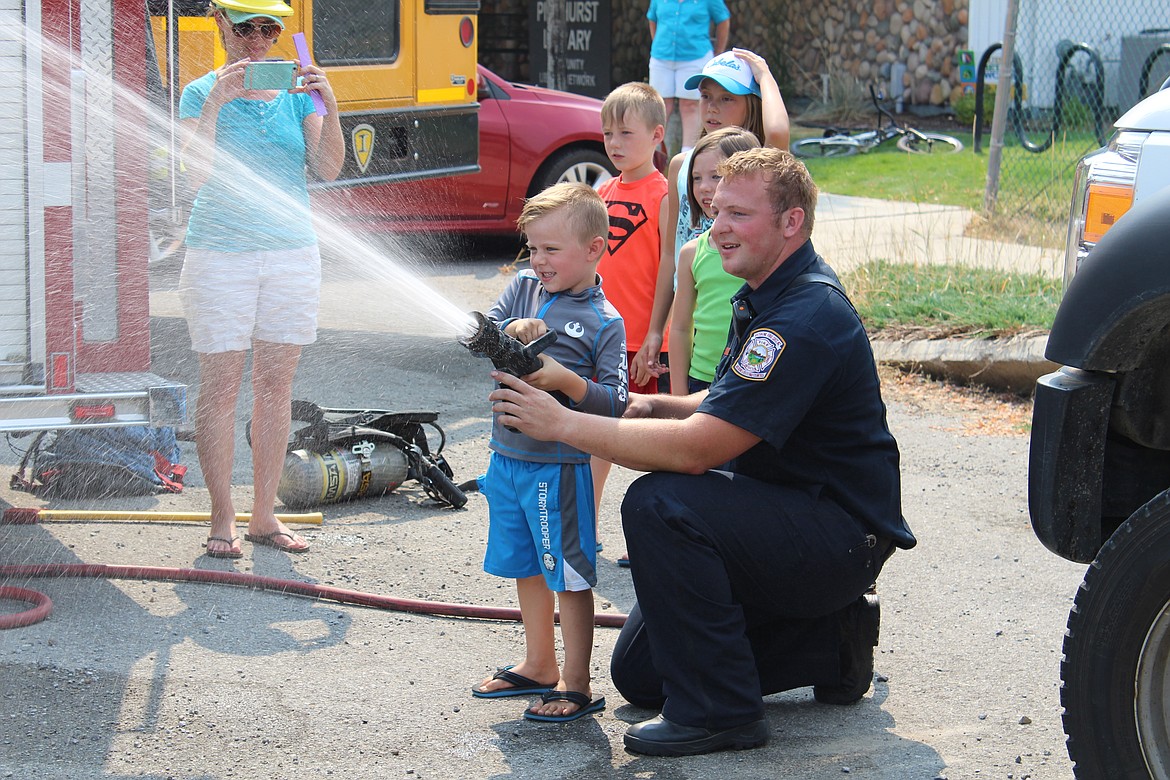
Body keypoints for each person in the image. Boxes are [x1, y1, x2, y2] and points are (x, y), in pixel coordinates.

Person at [487, 148, 917, 756]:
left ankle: (723, 713)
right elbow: (723, 403)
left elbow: (699, 451)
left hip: (836, 536)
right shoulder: (764, 295)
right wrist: (644, 405)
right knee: (641, 677)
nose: (717, 227)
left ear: (791, 223)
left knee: (661, 501)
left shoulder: (804, 316)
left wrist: (563, 422)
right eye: (715, 211)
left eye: (738, 213)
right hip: (783, 516)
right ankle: (831, 643)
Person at [177, 0, 344, 558]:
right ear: (222, 25)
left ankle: (264, 515)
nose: (257, 39)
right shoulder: (200, 91)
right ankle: (222, 516)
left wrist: (331, 106)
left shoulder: (297, 96)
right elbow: (192, 176)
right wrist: (218, 105)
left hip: (291, 253)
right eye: (246, 27)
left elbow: (327, 168)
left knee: (275, 389)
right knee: (220, 388)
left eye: (269, 28)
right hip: (219, 256)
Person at [470, 183, 628, 723]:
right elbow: (476, 334)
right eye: (532, 248)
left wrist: (566, 380)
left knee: (568, 574)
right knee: (527, 566)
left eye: (551, 250)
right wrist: (506, 331)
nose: (539, 261)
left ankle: (577, 684)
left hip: (558, 469)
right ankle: (539, 664)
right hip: (506, 458)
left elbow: (617, 405)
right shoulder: (521, 289)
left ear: (594, 248)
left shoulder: (607, 321)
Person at [641, 49, 788, 402]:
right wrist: (654, 329)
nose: (712, 108)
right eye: (706, 97)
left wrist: (765, 74)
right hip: (690, 312)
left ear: (751, 104)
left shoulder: (756, 163)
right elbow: (670, 254)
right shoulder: (679, 165)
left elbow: (779, 132)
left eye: (726, 99)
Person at [592, 82, 669, 560]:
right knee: (596, 436)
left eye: (626, 132)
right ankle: (586, 527)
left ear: (658, 135)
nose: (615, 143)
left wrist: (653, 340)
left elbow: (668, 273)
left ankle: (658, 536)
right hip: (603, 342)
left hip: (644, 341)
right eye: (607, 134)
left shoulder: (666, 195)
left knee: (652, 442)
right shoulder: (602, 191)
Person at [669, 126, 759, 394]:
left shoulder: (763, 251)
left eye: (716, 176)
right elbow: (681, 328)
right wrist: (677, 396)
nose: (704, 187)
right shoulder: (691, 253)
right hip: (702, 380)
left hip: (751, 379)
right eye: (696, 178)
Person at [646, 0, 731, 153]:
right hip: (661, 57)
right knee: (659, 104)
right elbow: (653, 19)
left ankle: (687, 157)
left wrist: (718, 51)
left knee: (690, 105)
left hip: (695, 56)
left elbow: (723, 19)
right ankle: (652, 152)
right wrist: (657, 42)